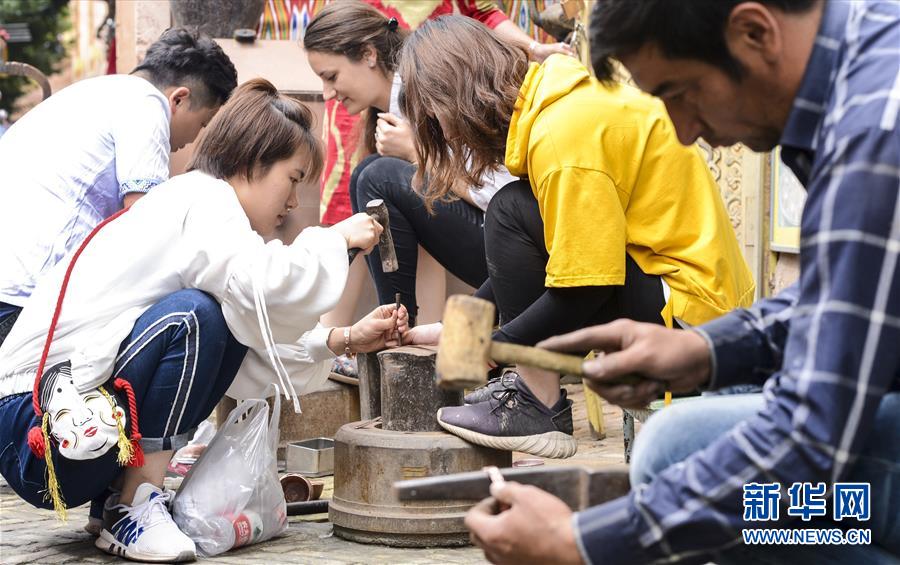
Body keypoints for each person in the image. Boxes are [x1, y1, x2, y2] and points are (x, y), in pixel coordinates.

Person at [462, 1, 900, 563]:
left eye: (681, 92)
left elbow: (808, 440)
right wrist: (705, 348)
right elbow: (846, 303)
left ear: (754, 31)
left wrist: (581, 543)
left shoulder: (875, 134)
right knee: (695, 447)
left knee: (710, 476)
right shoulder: (859, 73)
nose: (685, 131)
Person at [0, 79, 407, 563]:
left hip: (69, 431)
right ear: (252, 162)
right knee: (196, 317)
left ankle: (116, 501)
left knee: (217, 319)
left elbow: (248, 329)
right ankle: (132, 504)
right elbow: (263, 287)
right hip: (38, 432)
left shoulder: (204, 211)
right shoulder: (204, 200)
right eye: (294, 178)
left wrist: (341, 339)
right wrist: (334, 239)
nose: (294, 202)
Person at [399, 16, 756, 458]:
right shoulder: (557, 104)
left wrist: (496, 345)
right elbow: (561, 255)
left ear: (455, 95)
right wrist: (459, 329)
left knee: (509, 209)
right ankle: (535, 393)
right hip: (680, 292)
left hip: (689, 315)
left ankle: (538, 402)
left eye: (437, 119)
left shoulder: (561, 134)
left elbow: (587, 284)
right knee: (518, 207)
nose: (447, 135)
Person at [310, 0, 574, 350]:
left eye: (332, 76)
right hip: (508, 251)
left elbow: (507, 197)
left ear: (368, 55)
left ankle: (396, 337)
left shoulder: (433, 92)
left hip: (526, 251)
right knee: (370, 175)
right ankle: (398, 328)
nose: (328, 93)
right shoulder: (390, 114)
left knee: (379, 176)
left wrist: (418, 156)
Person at [0, 27, 238, 347]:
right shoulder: (147, 102)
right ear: (179, 98)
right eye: (204, 123)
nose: (195, 138)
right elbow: (146, 227)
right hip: (23, 303)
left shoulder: (92, 92)